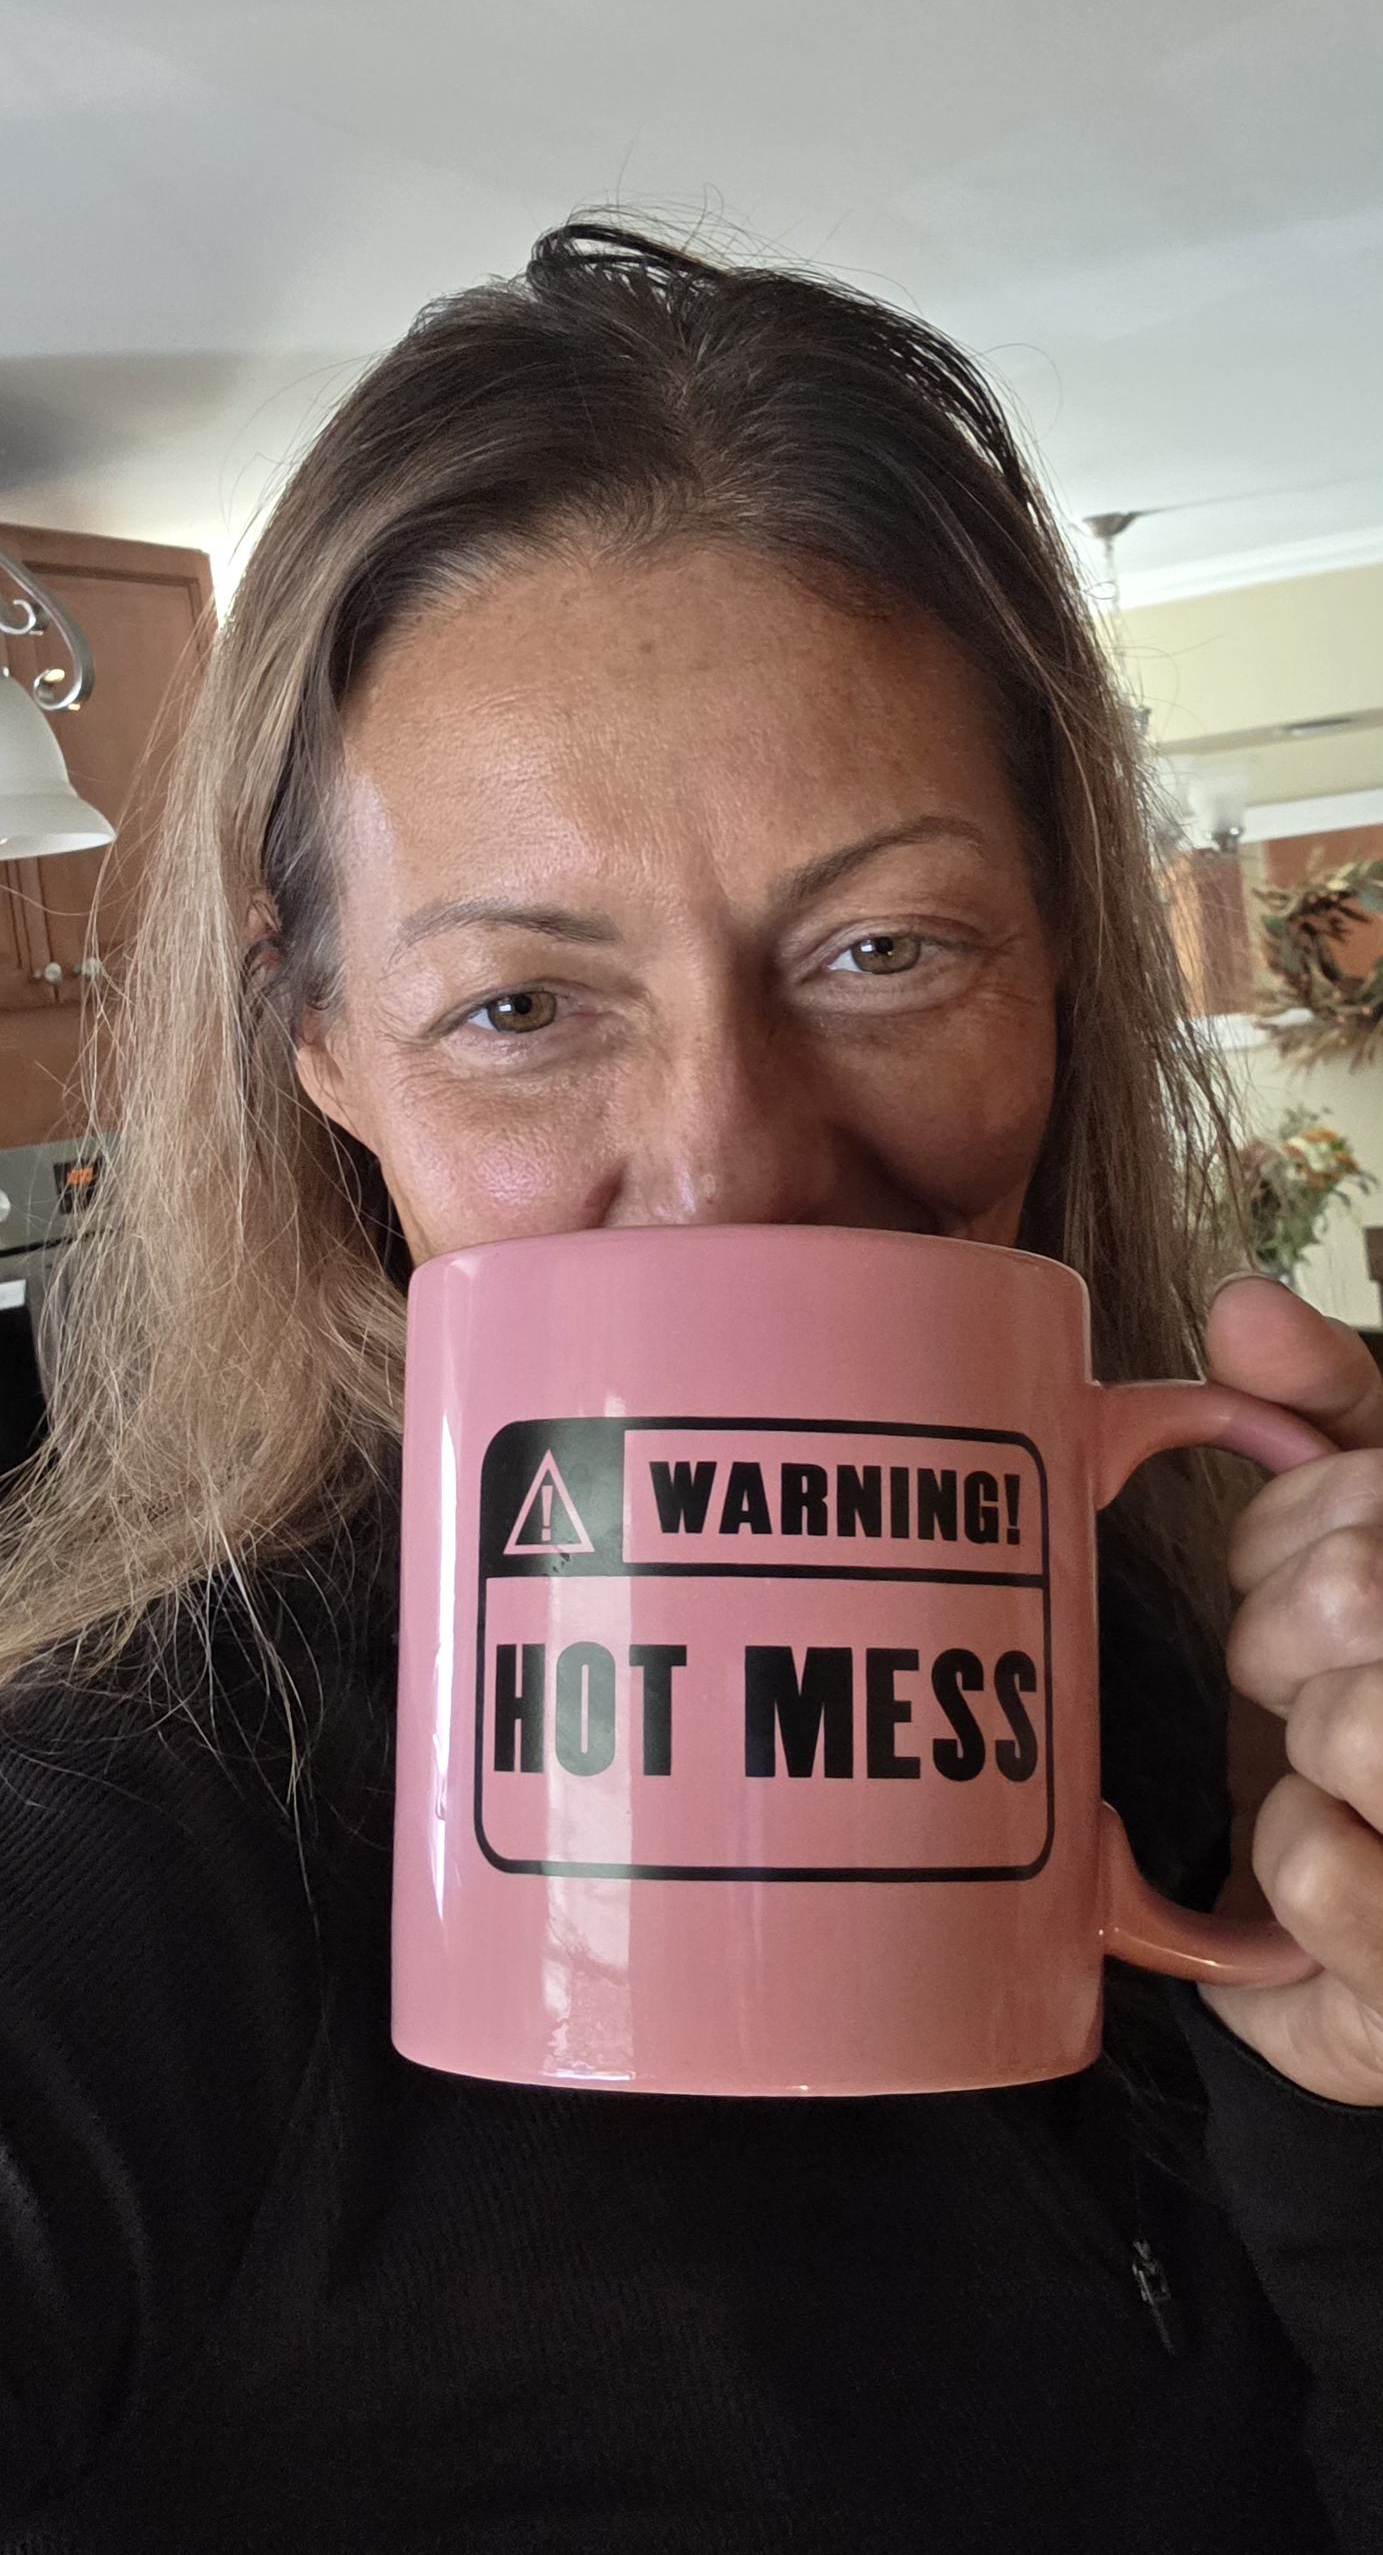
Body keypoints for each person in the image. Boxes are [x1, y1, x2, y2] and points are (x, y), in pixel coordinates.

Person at [0, 222, 1380, 2554]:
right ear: (323, 1047)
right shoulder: (137, 1856)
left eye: (880, 947)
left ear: (1059, 959)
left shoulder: (1246, 1718)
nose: (734, 1164)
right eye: (521, 1005)